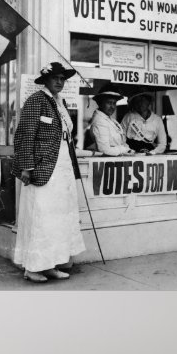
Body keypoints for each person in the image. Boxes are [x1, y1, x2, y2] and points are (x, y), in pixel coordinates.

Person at [12, 62, 86, 283]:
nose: (59, 82)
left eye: (63, 78)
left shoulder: (59, 103)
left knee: (57, 218)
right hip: (43, 168)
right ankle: (33, 268)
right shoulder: (36, 100)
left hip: (61, 168)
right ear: (45, 80)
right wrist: (26, 166)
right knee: (40, 217)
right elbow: (24, 135)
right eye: (55, 78)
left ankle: (51, 264)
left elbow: (65, 137)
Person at [90, 83, 135, 156]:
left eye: (114, 103)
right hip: (106, 162)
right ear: (100, 103)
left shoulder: (110, 119)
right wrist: (124, 149)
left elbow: (121, 142)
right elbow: (104, 150)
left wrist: (129, 150)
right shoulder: (99, 121)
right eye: (109, 103)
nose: (112, 107)